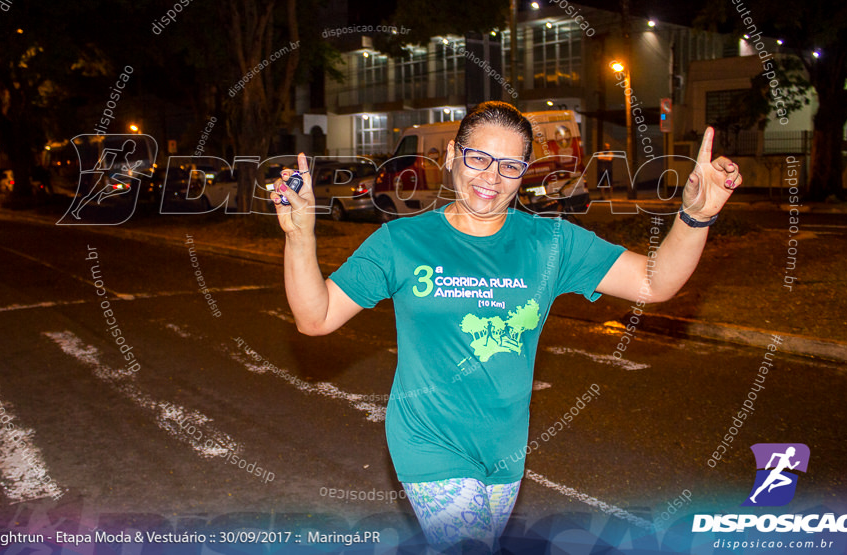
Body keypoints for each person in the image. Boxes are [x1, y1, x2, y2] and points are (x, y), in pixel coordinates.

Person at [272, 101, 740, 553]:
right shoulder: (401, 241)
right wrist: (299, 237)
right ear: (453, 155)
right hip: (428, 441)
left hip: (505, 450)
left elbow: (654, 282)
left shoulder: (550, 242)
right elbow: (316, 318)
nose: (491, 178)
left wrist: (697, 215)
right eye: (478, 158)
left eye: (510, 166)